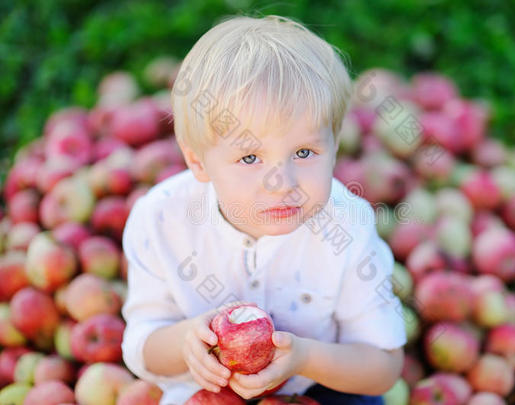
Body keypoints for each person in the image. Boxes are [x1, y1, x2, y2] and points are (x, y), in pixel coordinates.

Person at [121, 13, 406, 405]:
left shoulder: (348, 226)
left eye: (304, 152)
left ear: (336, 145)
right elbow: (141, 345)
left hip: (318, 388)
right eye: (250, 157)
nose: (282, 182)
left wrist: (304, 358)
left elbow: (384, 367)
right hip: (207, 393)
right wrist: (186, 340)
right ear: (199, 162)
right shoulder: (161, 221)